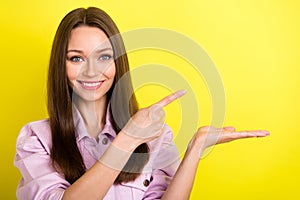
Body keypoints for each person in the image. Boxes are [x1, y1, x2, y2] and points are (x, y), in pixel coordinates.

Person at [14, 7, 269, 200]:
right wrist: (127, 139)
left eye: (104, 56)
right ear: (61, 65)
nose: (92, 71)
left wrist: (195, 148)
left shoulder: (156, 136)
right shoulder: (36, 138)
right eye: (76, 59)